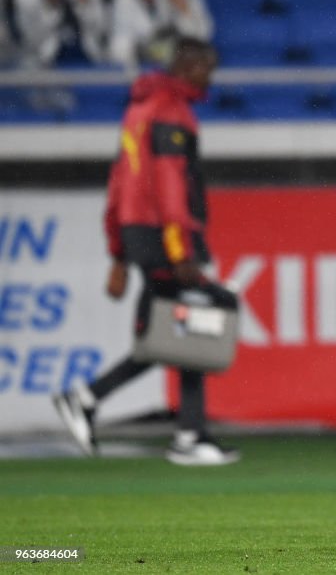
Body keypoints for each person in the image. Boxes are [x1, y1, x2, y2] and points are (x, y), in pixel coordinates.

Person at [53, 38, 240, 467]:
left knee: (168, 329)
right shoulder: (172, 113)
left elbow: (120, 183)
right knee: (191, 325)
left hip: (139, 234)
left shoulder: (138, 111)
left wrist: (119, 252)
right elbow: (172, 187)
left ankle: (87, 399)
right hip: (163, 237)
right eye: (205, 67)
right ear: (187, 65)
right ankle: (188, 437)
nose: (210, 76)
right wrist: (181, 249)